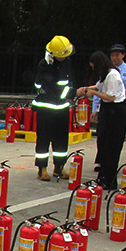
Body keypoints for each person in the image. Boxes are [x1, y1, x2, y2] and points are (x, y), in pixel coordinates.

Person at [78, 51, 126, 190]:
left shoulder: (112, 75)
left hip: (116, 111)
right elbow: (98, 86)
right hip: (107, 110)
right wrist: (85, 89)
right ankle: (103, 176)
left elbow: (110, 97)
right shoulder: (105, 74)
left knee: (112, 146)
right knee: (103, 143)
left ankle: (109, 180)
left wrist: (94, 93)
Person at [32, 35, 75, 181]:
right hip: (46, 109)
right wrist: (70, 93)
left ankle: (59, 167)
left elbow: (69, 82)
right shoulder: (44, 65)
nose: (64, 58)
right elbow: (46, 86)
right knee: (43, 139)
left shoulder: (67, 62)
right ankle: (42, 168)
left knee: (61, 139)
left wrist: (70, 92)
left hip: (62, 108)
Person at [92, 44, 126, 123]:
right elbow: (99, 88)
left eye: (117, 55)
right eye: (112, 55)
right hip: (108, 100)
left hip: (123, 100)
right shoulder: (106, 69)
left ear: (123, 55)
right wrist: (95, 108)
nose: (114, 58)